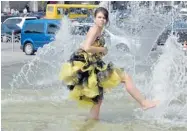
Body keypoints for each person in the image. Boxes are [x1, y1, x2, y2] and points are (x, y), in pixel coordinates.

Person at [59, 7, 159, 120]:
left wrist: (99, 51)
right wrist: (103, 50)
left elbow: (85, 45)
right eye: (99, 17)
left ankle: (92, 122)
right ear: (94, 18)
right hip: (87, 66)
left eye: (104, 18)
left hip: (91, 64)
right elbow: (87, 47)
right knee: (126, 77)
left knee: (98, 99)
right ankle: (144, 103)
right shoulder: (95, 29)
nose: (102, 20)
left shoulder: (98, 30)